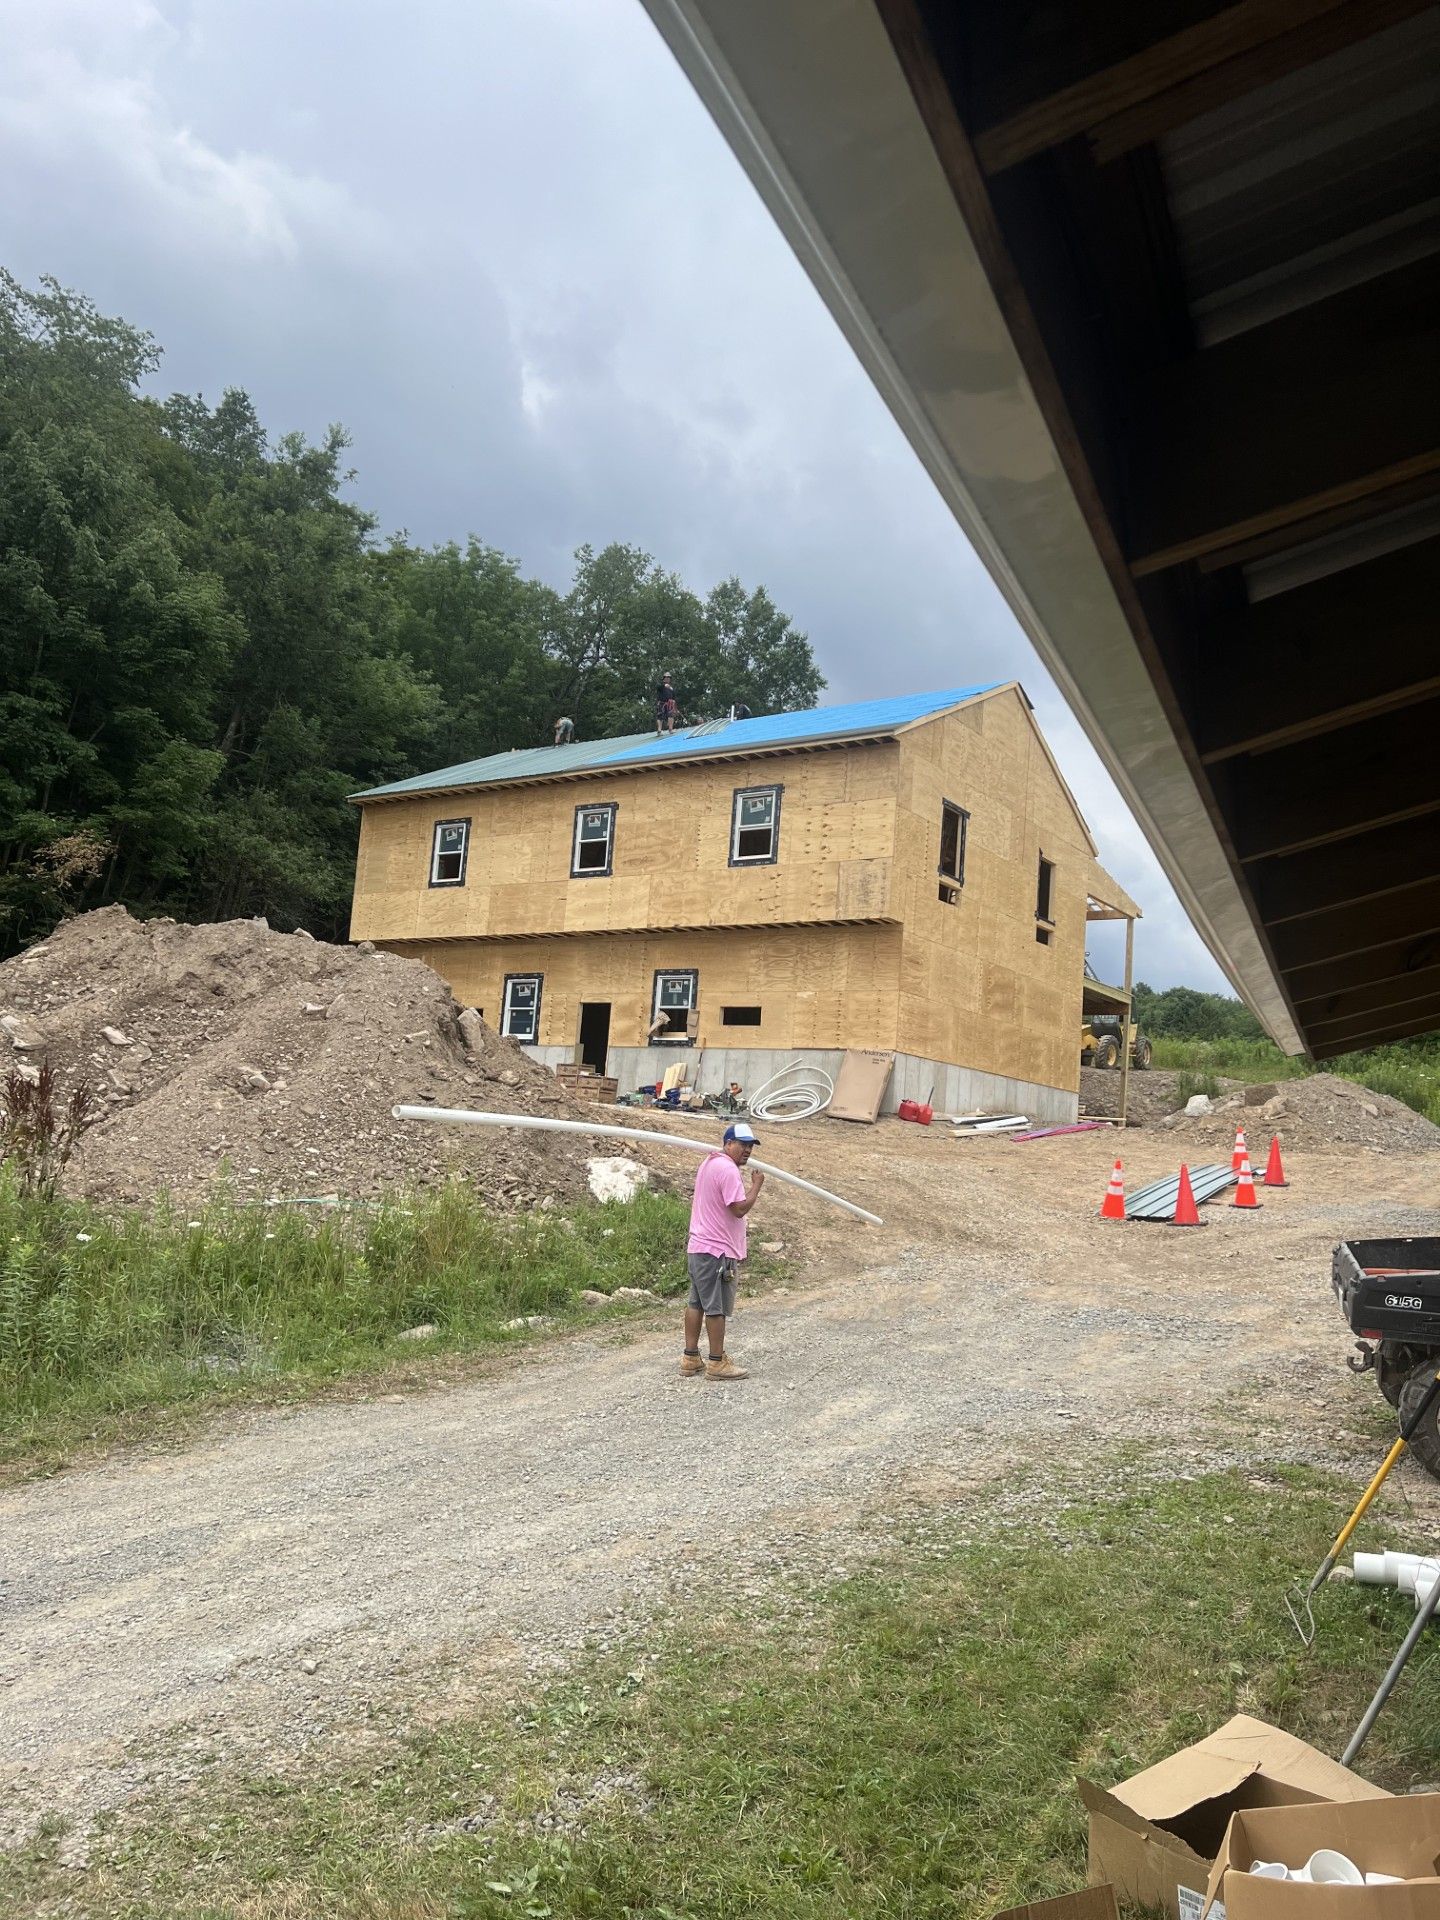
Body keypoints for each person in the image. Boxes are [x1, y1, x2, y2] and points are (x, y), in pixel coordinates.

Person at [680, 1121, 764, 1380]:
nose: (747, 1150)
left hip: (699, 1247)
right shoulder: (727, 1170)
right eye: (742, 1145)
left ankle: (691, 1357)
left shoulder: (710, 1163)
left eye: (750, 1146)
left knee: (697, 1303)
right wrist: (756, 1186)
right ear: (728, 1144)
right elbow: (738, 1208)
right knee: (715, 1307)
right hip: (716, 1251)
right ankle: (717, 1362)